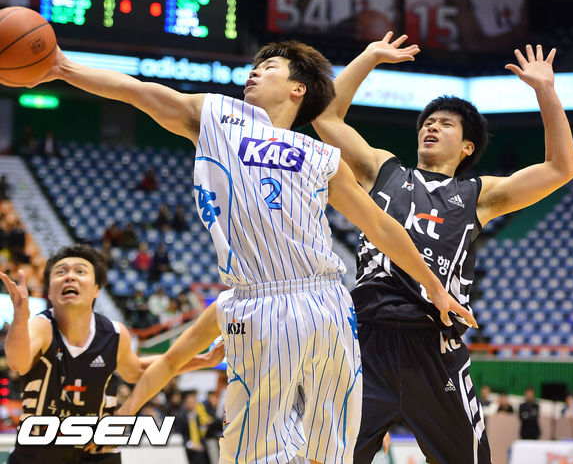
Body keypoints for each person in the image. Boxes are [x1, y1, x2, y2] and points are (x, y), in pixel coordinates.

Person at [22, 41, 476, 464]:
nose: (254, 72)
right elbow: (137, 91)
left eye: (269, 67)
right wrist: (62, 67)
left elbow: (380, 226)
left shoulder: (321, 155)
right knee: (252, 452)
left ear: (298, 88)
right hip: (259, 300)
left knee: (330, 451)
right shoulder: (218, 116)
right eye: (255, 66)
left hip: (328, 302)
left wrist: (435, 288)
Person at [311, 32, 573, 464]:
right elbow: (325, 116)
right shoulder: (383, 170)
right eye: (428, 122)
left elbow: (562, 167)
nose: (432, 126)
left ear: (468, 147)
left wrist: (546, 90)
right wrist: (369, 56)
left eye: (445, 123)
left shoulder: (480, 195)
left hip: (435, 345)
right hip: (365, 340)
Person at [0, 244, 224, 464]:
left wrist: (203, 361)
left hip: (96, 451)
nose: (70, 277)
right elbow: (17, 362)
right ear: (49, 291)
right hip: (40, 451)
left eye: (80, 271)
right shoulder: (40, 326)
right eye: (61, 272)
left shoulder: (115, 334)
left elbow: (138, 371)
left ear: (96, 289)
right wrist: (20, 318)